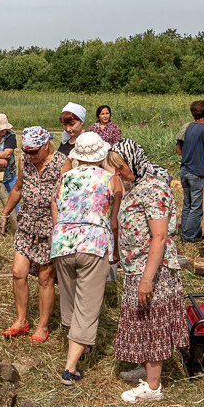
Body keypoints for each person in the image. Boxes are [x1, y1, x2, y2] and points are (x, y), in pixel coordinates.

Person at [110, 145, 190, 403]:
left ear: (134, 163)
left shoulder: (154, 188)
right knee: (143, 320)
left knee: (153, 323)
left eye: (121, 166)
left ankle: (153, 387)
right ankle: (147, 369)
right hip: (138, 266)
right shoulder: (138, 185)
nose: (117, 172)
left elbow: (160, 236)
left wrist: (147, 279)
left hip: (153, 269)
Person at [51, 131, 121, 384]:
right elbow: (114, 221)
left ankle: (79, 345)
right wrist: (115, 250)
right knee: (88, 303)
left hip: (63, 243)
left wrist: (62, 235)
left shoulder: (64, 178)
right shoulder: (111, 180)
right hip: (93, 243)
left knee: (70, 299)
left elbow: (55, 211)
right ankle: (71, 368)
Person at [0, 126, 62, 343]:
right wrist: (5, 214)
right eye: (26, 151)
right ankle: (21, 320)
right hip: (26, 224)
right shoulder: (25, 160)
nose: (29, 155)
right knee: (18, 272)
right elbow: (17, 188)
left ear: (46, 146)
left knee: (45, 278)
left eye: (33, 151)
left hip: (50, 228)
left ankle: (42, 326)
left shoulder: (62, 163)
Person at [176, 99, 204, 242]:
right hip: (197, 173)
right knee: (197, 206)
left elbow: (178, 148)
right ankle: (188, 236)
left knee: (187, 204)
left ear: (192, 114)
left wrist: (188, 155)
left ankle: (185, 231)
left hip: (184, 170)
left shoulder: (187, 127)